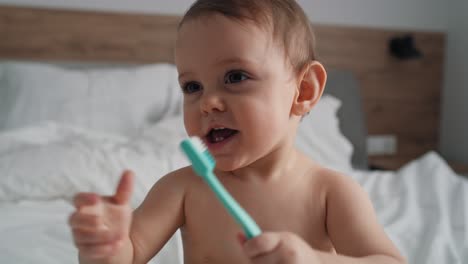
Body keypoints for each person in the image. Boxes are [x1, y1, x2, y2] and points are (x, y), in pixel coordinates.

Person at [68, 1, 406, 263]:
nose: (207, 103)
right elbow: (130, 253)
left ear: (303, 91)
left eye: (235, 77)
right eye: (192, 86)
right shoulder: (183, 188)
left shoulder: (331, 193)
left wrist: (312, 259)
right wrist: (106, 246)